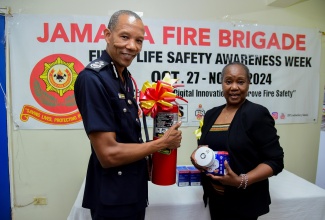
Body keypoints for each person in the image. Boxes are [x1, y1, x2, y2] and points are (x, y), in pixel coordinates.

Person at [74, 10, 182, 220]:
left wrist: (149, 158)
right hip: (113, 199)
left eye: (139, 40)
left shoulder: (124, 77)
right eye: (125, 37)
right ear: (107, 35)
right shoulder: (93, 79)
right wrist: (160, 144)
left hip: (132, 191)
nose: (132, 46)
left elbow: (128, 138)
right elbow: (108, 154)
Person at [190, 62, 284, 220]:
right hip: (215, 199)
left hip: (244, 203)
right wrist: (198, 157)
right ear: (222, 84)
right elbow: (205, 150)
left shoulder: (256, 114)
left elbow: (275, 161)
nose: (234, 87)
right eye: (228, 81)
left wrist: (241, 180)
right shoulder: (211, 115)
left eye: (240, 82)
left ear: (248, 83)